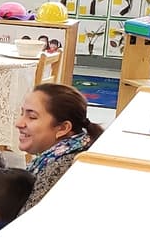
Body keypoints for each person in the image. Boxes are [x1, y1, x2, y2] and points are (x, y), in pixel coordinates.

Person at [18, 83, 104, 213]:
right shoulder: (64, 154)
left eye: (32, 117)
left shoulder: (61, 168)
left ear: (63, 128)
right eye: (22, 113)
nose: (18, 123)